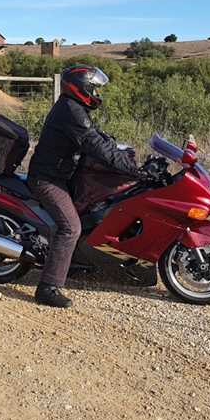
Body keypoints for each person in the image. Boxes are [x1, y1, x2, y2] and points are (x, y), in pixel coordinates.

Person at [27, 65, 138, 308]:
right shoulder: (71, 112)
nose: (97, 92)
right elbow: (97, 147)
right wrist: (136, 170)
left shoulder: (74, 109)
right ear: (81, 87)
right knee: (71, 227)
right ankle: (48, 288)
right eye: (94, 87)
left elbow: (99, 138)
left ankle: (75, 260)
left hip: (63, 176)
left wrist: (124, 152)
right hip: (47, 180)